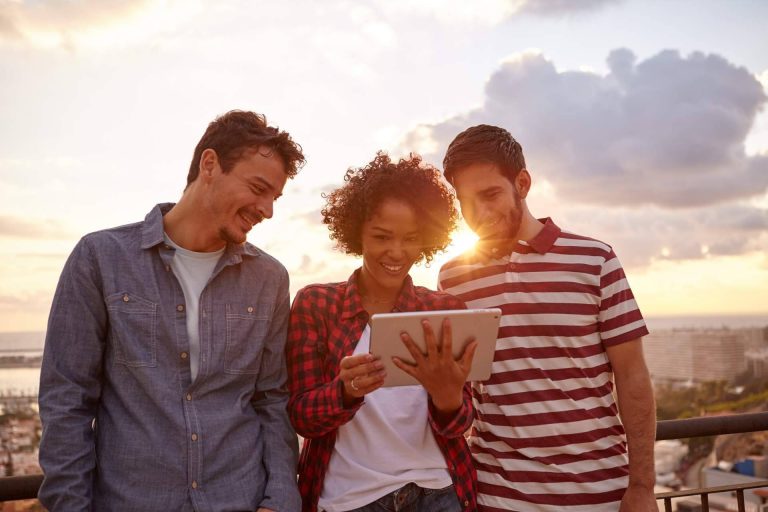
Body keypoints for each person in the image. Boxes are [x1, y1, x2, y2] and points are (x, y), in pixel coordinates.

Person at [38, 110, 305, 511]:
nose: (267, 210)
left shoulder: (269, 278)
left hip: (240, 500)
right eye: (257, 188)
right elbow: (67, 402)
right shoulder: (100, 259)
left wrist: (280, 500)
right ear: (210, 165)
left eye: (274, 198)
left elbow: (271, 400)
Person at [437, 125, 657, 512]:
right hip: (497, 498)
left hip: (600, 495)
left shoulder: (595, 260)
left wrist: (642, 486)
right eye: (466, 202)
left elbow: (633, 376)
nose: (479, 214)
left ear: (522, 183)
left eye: (490, 195)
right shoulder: (453, 278)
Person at [286, 152, 479, 512]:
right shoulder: (316, 304)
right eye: (381, 237)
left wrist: (448, 396)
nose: (396, 252)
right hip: (350, 500)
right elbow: (301, 416)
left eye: (411, 239)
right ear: (357, 232)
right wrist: (344, 392)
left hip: (438, 495)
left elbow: (460, 424)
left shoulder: (444, 310)